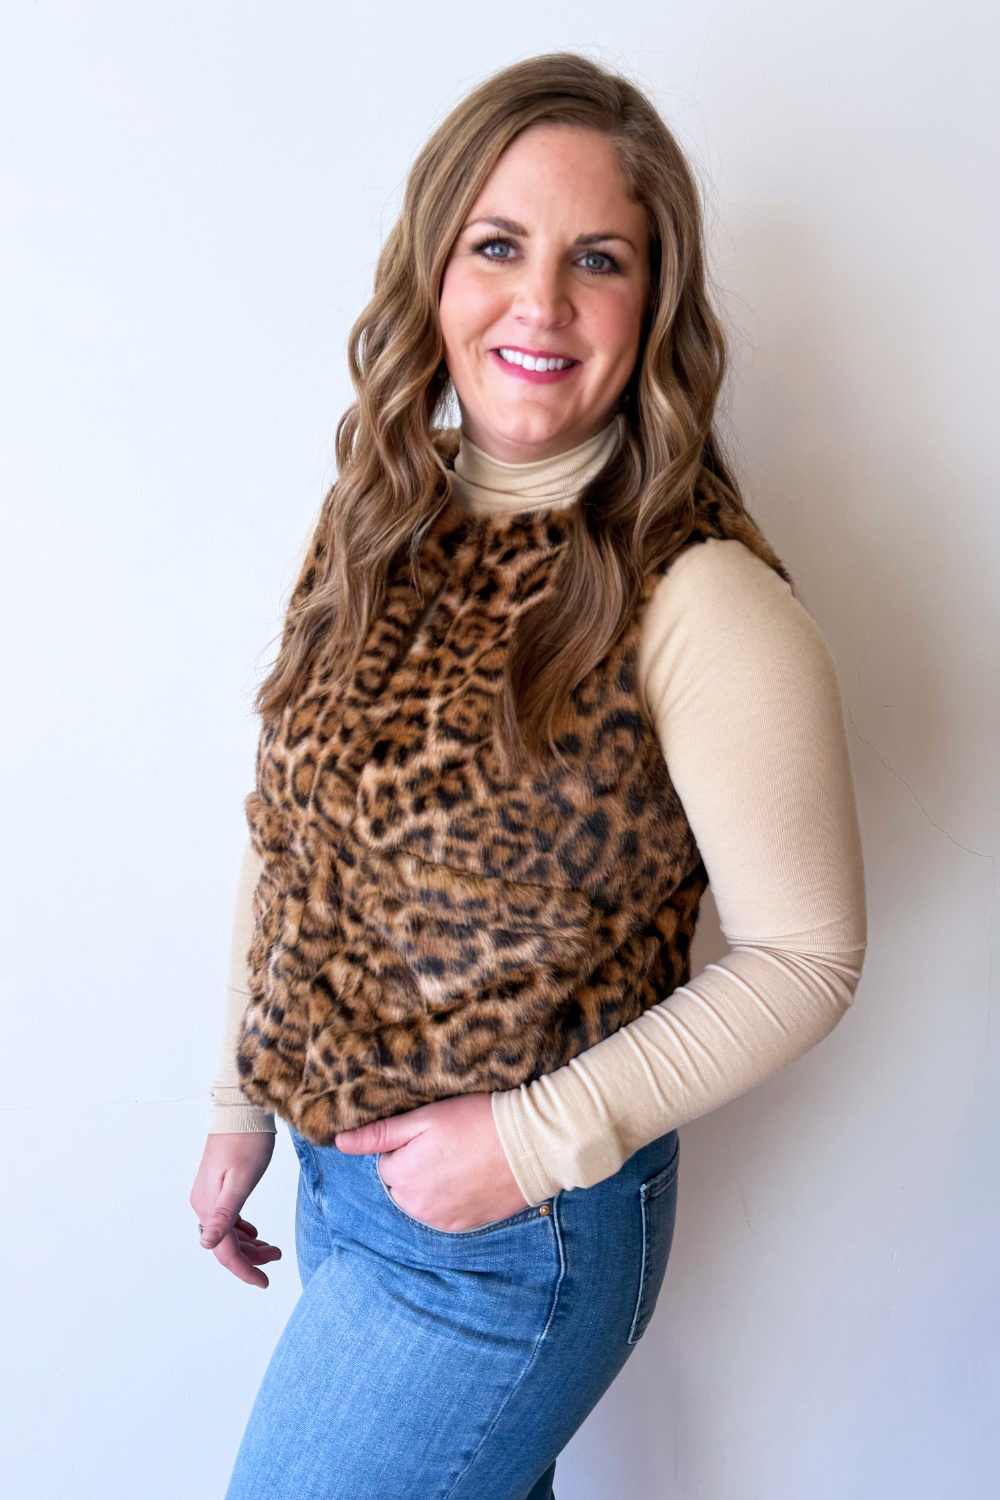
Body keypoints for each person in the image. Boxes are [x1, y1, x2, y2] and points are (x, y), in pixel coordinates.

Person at [190, 52, 866, 1500]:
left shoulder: (701, 596)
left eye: (597, 260)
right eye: (498, 245)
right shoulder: (379, 516)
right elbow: (292, 833)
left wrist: (527, 1141)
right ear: (435, 269)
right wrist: (242, 1102)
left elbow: (807, 958)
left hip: (512, 1237)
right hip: (339, 1187)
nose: (542, 302)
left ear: (655, 303)